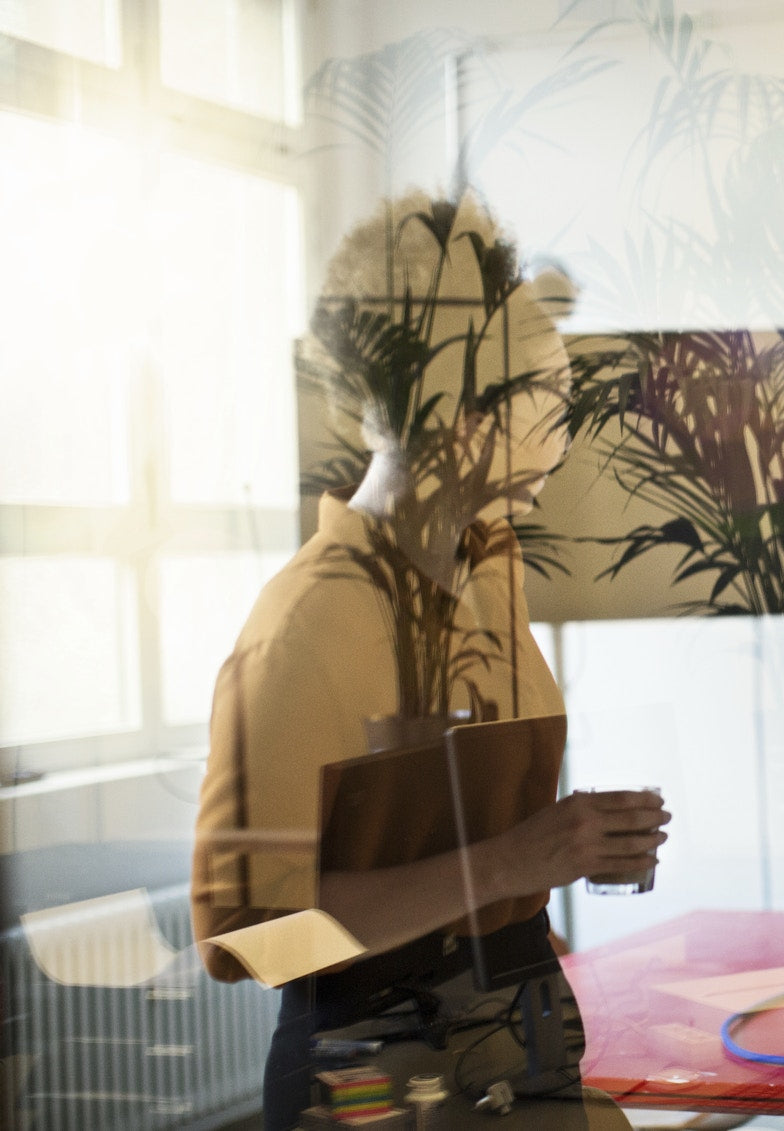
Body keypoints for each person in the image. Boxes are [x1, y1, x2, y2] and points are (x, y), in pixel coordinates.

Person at [191, 191, 668, 1130]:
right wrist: (508, 863)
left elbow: (466, 854)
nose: (557, 438)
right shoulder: (306, 626)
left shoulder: (493, 568)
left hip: (506, 1051)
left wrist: (546, 875)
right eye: (539, 400)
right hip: (378, 1083)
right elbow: (252, 939)